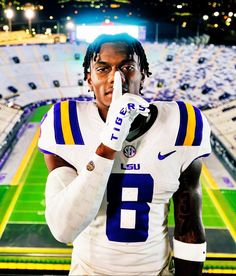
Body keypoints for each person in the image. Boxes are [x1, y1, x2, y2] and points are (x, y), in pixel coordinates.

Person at [38, 33, 211, 275]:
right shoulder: (65, 123)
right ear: (88, 78)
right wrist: (110, 140)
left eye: (127, 67)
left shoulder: (183, 122)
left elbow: (188, 220)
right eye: (102, 68)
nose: (115, 79)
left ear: (143, 75)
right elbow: (64, 229)